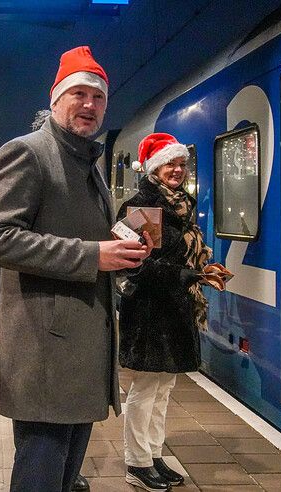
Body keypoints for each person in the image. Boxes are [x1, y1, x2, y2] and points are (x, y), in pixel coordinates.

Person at [0, 45, 153, 492]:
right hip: (45, 351)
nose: (89, 105)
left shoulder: (85, 162)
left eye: (98, 98)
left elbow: (85, 232)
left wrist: (124, 249)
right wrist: (94, 255)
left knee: (64, 471)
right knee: (41, 471)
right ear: (55, 99)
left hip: (80, 347)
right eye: (79, 94)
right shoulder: (27, 153)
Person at [117, 133, 213, 491]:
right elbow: (134, 265)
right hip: (148, 312)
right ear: (155, 167)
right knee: (145, 388)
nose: (177, 170)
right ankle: (136, 463)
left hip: (175, 308)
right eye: (170, 164)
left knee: (164, 387)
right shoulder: (142, 206)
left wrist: (201, 271)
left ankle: (154, 455)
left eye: (181, 164)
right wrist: (187, 274)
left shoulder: (180, 205)